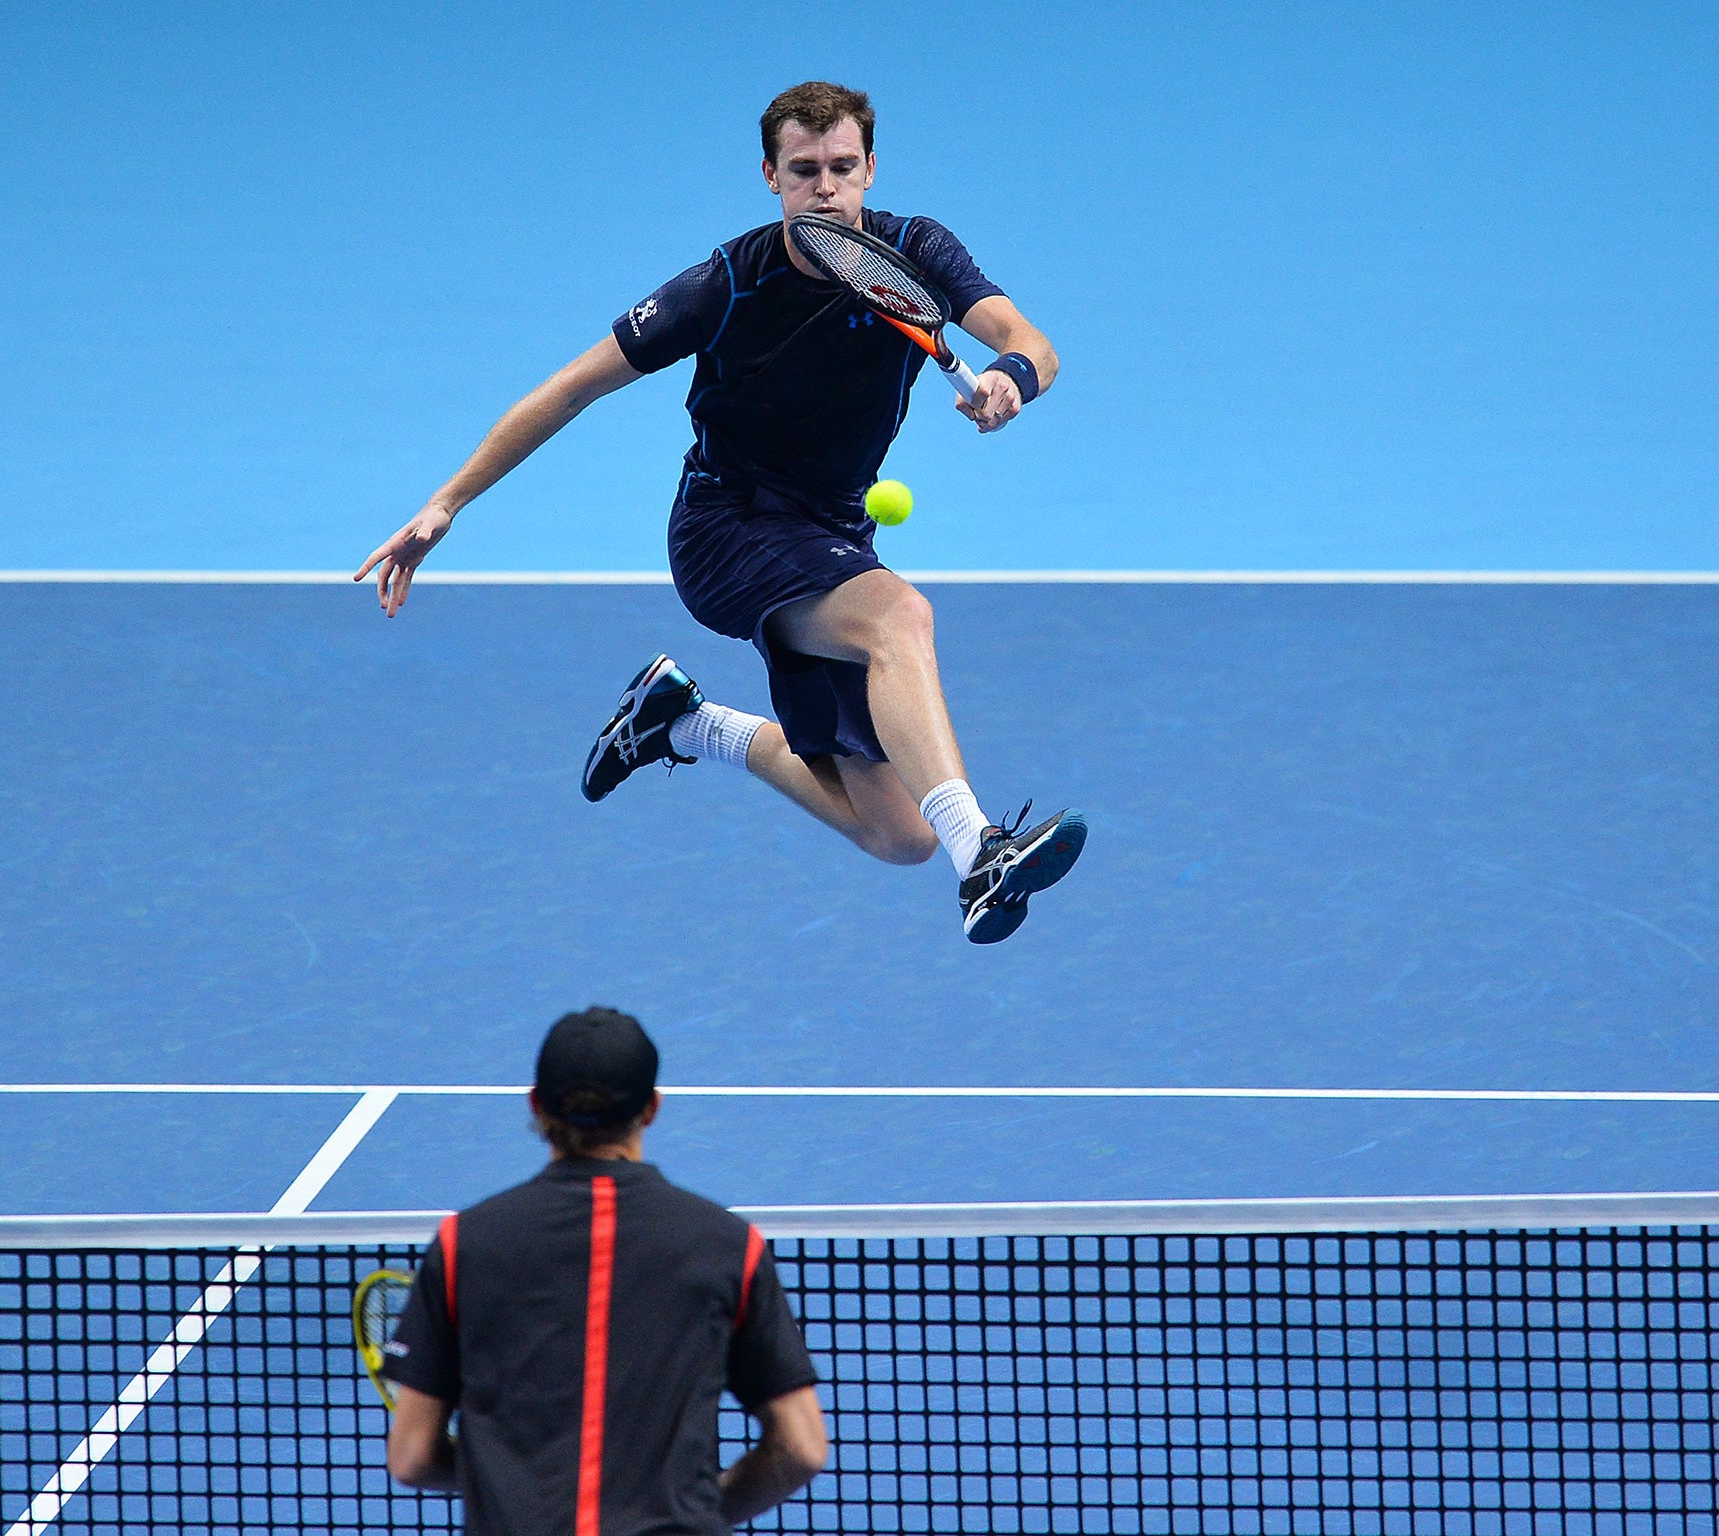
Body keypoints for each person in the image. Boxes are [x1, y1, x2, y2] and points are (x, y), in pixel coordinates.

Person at [355, 81, 1086, 944]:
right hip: (726, 529)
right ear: (771, 177)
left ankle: (686, 722)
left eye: (843, 168)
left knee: (900, 834)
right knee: (901, 617)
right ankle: (986, 855)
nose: (826, 187)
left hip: (834, 535)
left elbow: (1030, 343)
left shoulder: (918, 250)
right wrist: (448, 501)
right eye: (804, 169)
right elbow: (571, 388)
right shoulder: (726, 284)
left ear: (870, 169)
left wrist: (1012, 380)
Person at [380, 1007, 827, 1536]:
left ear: (536, 1105)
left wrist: (507, 1480)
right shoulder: (726, 1245)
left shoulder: (464, 1245)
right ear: (652, 1109)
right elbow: (801, 1447)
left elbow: (411, 1456)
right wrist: (698, 1508)